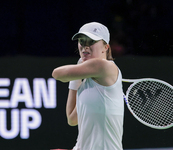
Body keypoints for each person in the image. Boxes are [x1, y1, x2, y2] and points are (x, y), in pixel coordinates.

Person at [52, 22, 124, 150]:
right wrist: (76, 78)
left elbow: (57, 74)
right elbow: (72, 119)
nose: (85, 46)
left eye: (91, 42)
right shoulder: (86, 82)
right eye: (82, 41)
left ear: (105, 47)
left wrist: (77, 70)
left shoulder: (105, 67)